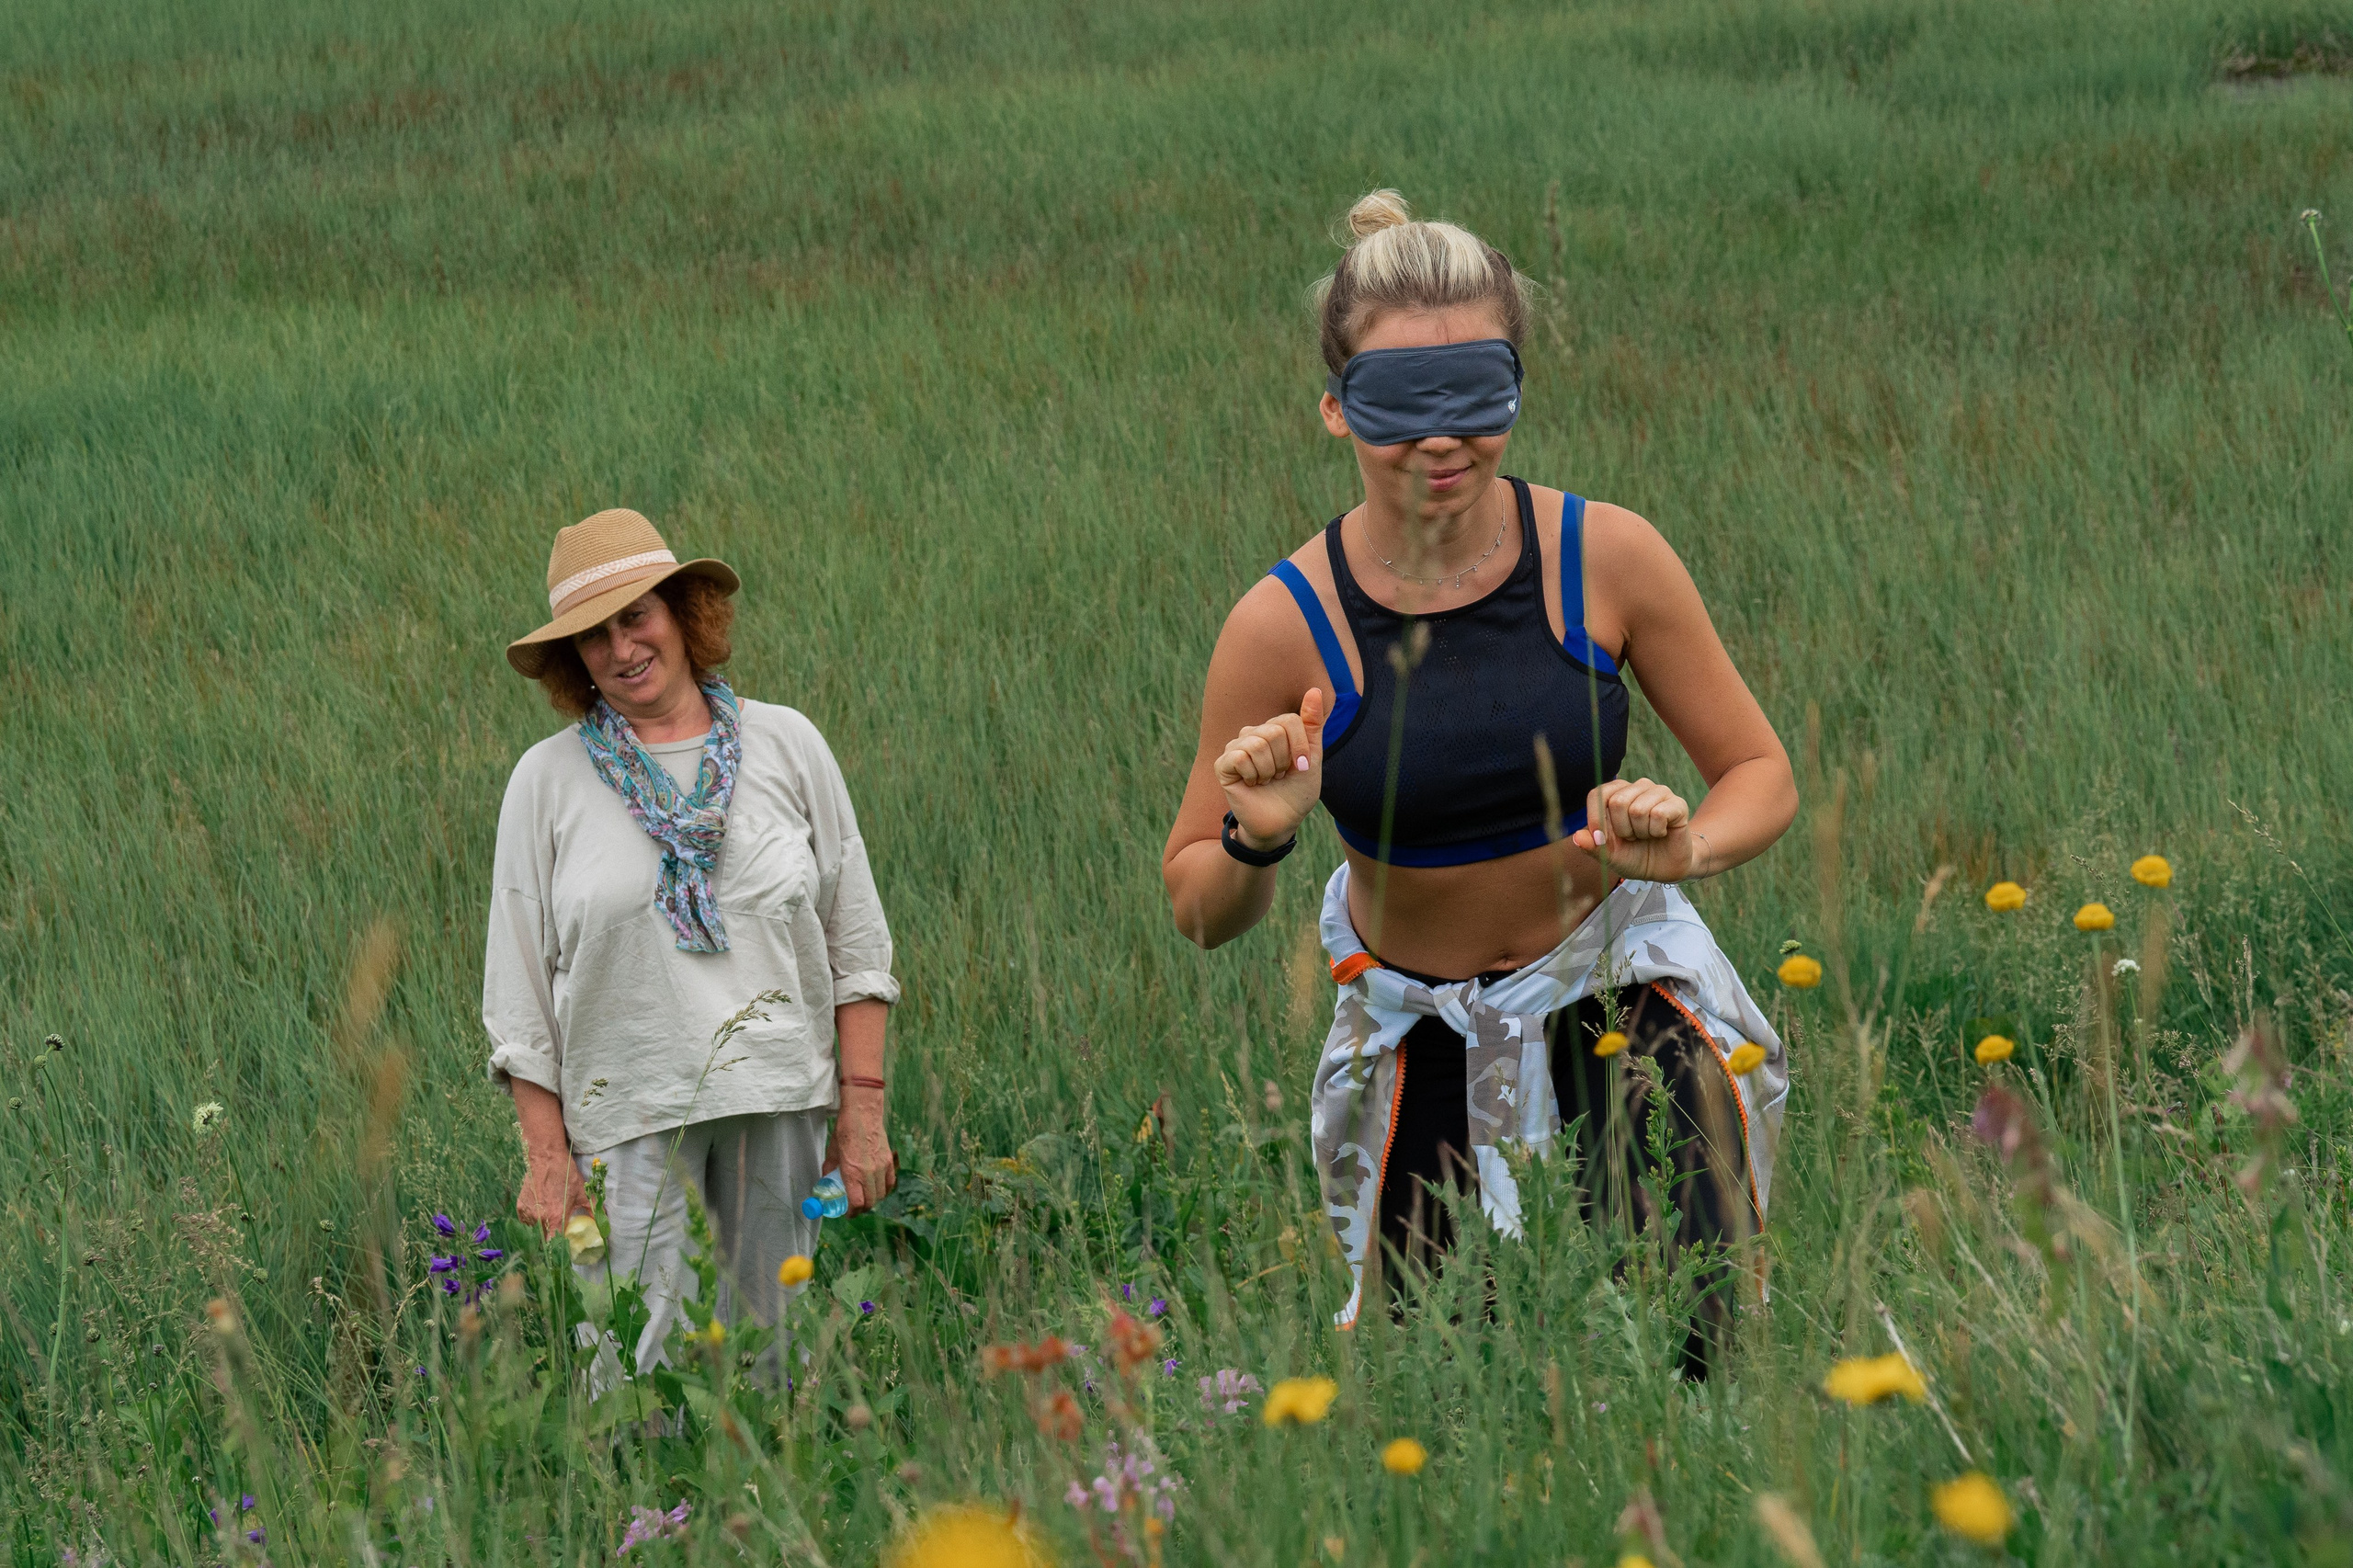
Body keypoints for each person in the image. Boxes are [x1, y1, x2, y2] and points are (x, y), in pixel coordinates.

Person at [1162, 191, 1796, 1372]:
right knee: (1446, 1396)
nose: (1439, 440)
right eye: (1401, 403)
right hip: (1421, 1054)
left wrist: (1688, 847)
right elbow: (1198, 905)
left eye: (1476, 393)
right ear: (1334, 406)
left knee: (1692, 1357)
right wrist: (1257, 836)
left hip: (1623, 1018)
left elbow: (1758, 772)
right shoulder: (1281, 624)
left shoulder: (1602, 555)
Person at [483, 507, 899, 1372]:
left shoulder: (791, 745)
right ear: (573, 660)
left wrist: (862, 1112)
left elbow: (856, 947)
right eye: (593, 638)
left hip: (778, 1103)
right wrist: (546, 1155)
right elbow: (518, 988)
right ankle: (645, 1517)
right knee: (634, 1373)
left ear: (682, 612)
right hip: (627, 1121)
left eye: (636, 616)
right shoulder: (546, 780)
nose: (622, 648)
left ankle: (769, 1507)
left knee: (771, 1363)